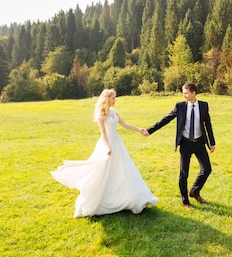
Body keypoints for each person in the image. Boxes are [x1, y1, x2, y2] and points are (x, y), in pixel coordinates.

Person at [51, 89, 158, 217]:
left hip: (117, 144)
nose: (115, 100)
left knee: (124, 170)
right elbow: (103, 134)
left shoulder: (114, 112)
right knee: (103, 173)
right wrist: (107, 147)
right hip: (107, 144)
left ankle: (135, 197)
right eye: (113, 98)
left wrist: (139, 129)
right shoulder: (100, 115)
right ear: (107, 99)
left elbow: (125, 124)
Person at [143, 82, 216, 210]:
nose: (184, 95)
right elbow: (166, 119)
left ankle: (194, 191)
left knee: (207, 169)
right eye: (183, 93)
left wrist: (212, 142)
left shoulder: (204, 106)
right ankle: (185, 201)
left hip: (199, 142)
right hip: (186, 143)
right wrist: (150, 130)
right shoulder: (180, 106)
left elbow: (207, 124)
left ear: (194, 93)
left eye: (186, 93)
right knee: (184, 173)